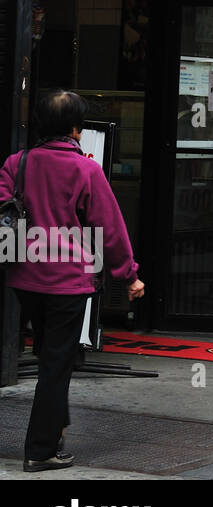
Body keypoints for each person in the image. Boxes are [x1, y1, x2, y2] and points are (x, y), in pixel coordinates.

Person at [0, 90, 145, 472]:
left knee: (51, 353)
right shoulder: (85, 170)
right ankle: (42, 449)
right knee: (56, 364)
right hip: (67, 280)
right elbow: (109, 229)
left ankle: (56, 428)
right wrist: (128, 275)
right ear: (75, 129)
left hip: (24, 276)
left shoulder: (17, 163)